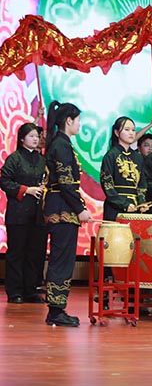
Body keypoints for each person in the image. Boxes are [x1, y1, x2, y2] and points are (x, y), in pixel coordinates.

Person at [42, 101, 92, 326]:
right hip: (62, 208)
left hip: (62, 206)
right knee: (61, 259)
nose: (80, 124)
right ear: (69, 121)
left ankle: (57, 308)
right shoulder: (61, 145)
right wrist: (80, 209)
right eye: (78, 120)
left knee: (62, 258)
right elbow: (65, 182)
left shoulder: (62, 143)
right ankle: (55, 310)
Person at [0, 123, 48, 304]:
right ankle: (15, 292)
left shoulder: (42, 160)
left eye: (37, 136)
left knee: (35, 253)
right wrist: (26, 190)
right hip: (18, 213)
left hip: (38, 213)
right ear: (22, 139)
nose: (35, 139)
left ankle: (30, 290)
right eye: (31, 136)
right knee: (17, 252)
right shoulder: (14, 158)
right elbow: (4, 181)